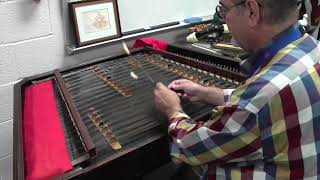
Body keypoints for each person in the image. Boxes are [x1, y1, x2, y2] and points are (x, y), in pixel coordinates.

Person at [154, 0, 320, 179]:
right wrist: (210, 93)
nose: (223, 18)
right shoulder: (311, 47)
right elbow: (269, 106)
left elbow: (192, 149)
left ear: (252, 11)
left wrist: (173, 110)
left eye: (223, 9)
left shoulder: (260, 96)